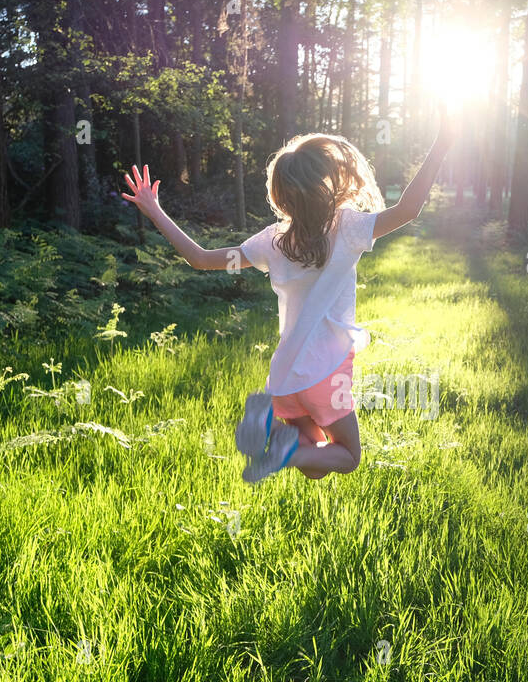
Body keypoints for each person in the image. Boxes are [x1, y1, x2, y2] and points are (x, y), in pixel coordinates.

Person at [121, 115, 454, 483]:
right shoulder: (349, 228)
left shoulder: (272, 242)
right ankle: (285, 447)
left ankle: (279, 437)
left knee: (315, 468)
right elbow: (407, 211)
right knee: (347, 457)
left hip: (285, 379)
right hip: (327, 372)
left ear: (280, 193)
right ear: (327, 183)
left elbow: (199, 259)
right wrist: (441, 145)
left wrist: (154, 209)